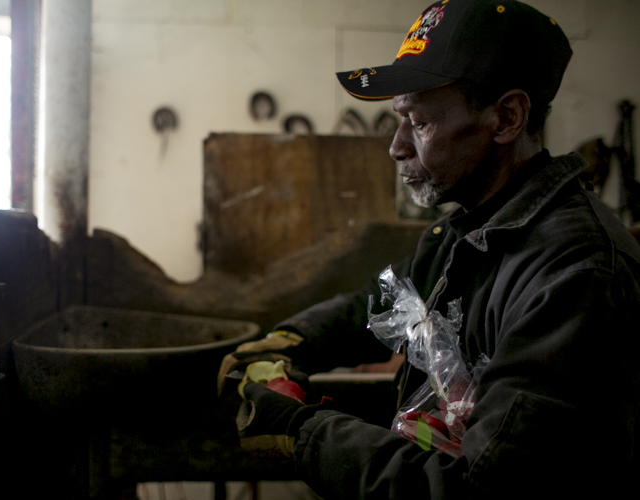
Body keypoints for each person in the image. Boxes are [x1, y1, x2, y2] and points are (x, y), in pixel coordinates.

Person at [219, 0, 640, 498]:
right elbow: (382, 307)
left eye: (418, 122)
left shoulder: (576, 273)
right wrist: (291, 341)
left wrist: (300, 433)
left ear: (506, 117)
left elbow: (478, 489)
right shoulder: (470, 228)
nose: (396, 145)